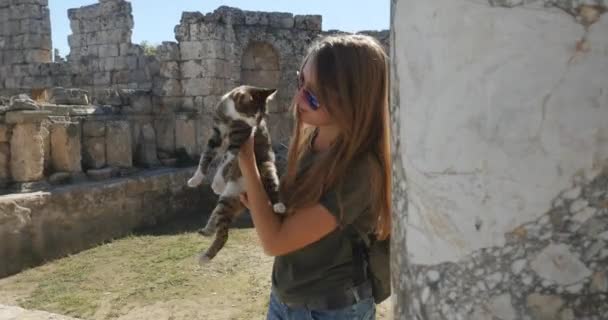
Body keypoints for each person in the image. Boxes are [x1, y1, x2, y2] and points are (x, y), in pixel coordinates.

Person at [237, 34, 391, 320]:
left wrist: (246, 159)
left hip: (332, 309)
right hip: (286, 299)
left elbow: (275, 241)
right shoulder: (314, 140)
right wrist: (259, 197)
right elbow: (287, 217)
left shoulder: (360, 171)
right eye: (300, 83)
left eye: (312, 95)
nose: (298, 99)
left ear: (350, 99)